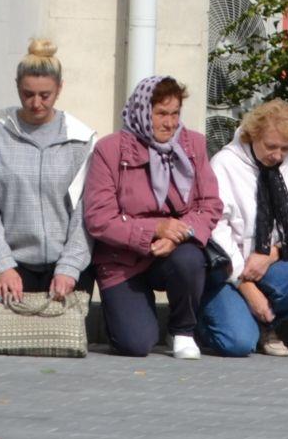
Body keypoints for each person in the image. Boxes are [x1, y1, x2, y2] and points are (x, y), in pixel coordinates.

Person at [83, 76, 221, 359]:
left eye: (175, 114)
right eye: (161, 114)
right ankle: (122, 317)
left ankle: (182, 330)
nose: (169, 123)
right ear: (142, 112)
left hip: (172, 249)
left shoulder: (193, 145)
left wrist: (176, 234)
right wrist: (156, 229)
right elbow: (99, 217)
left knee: (190, 259)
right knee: (135, 345)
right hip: (122, 260)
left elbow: (209, 205)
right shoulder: (109, 149)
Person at [0, 39, 96, 306]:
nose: (36, 103)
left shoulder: (81, 140)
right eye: (28, 94)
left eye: (45, 95)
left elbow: (86, 212)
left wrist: (70, 267)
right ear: (17, 86)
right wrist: (2, 264)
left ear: (59, 89)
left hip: (65, 264)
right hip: (11, 263)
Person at [200, 99, 288, 358]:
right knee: (237, 344)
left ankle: (264, 325)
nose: (278, 156)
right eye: (271, 146)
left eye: (285, 148)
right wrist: (246, 286)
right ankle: (200, 324)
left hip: (269, 263)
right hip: (227, 269)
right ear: (252, 135)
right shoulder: (225, 164)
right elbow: (217, 232)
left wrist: (270, 255)